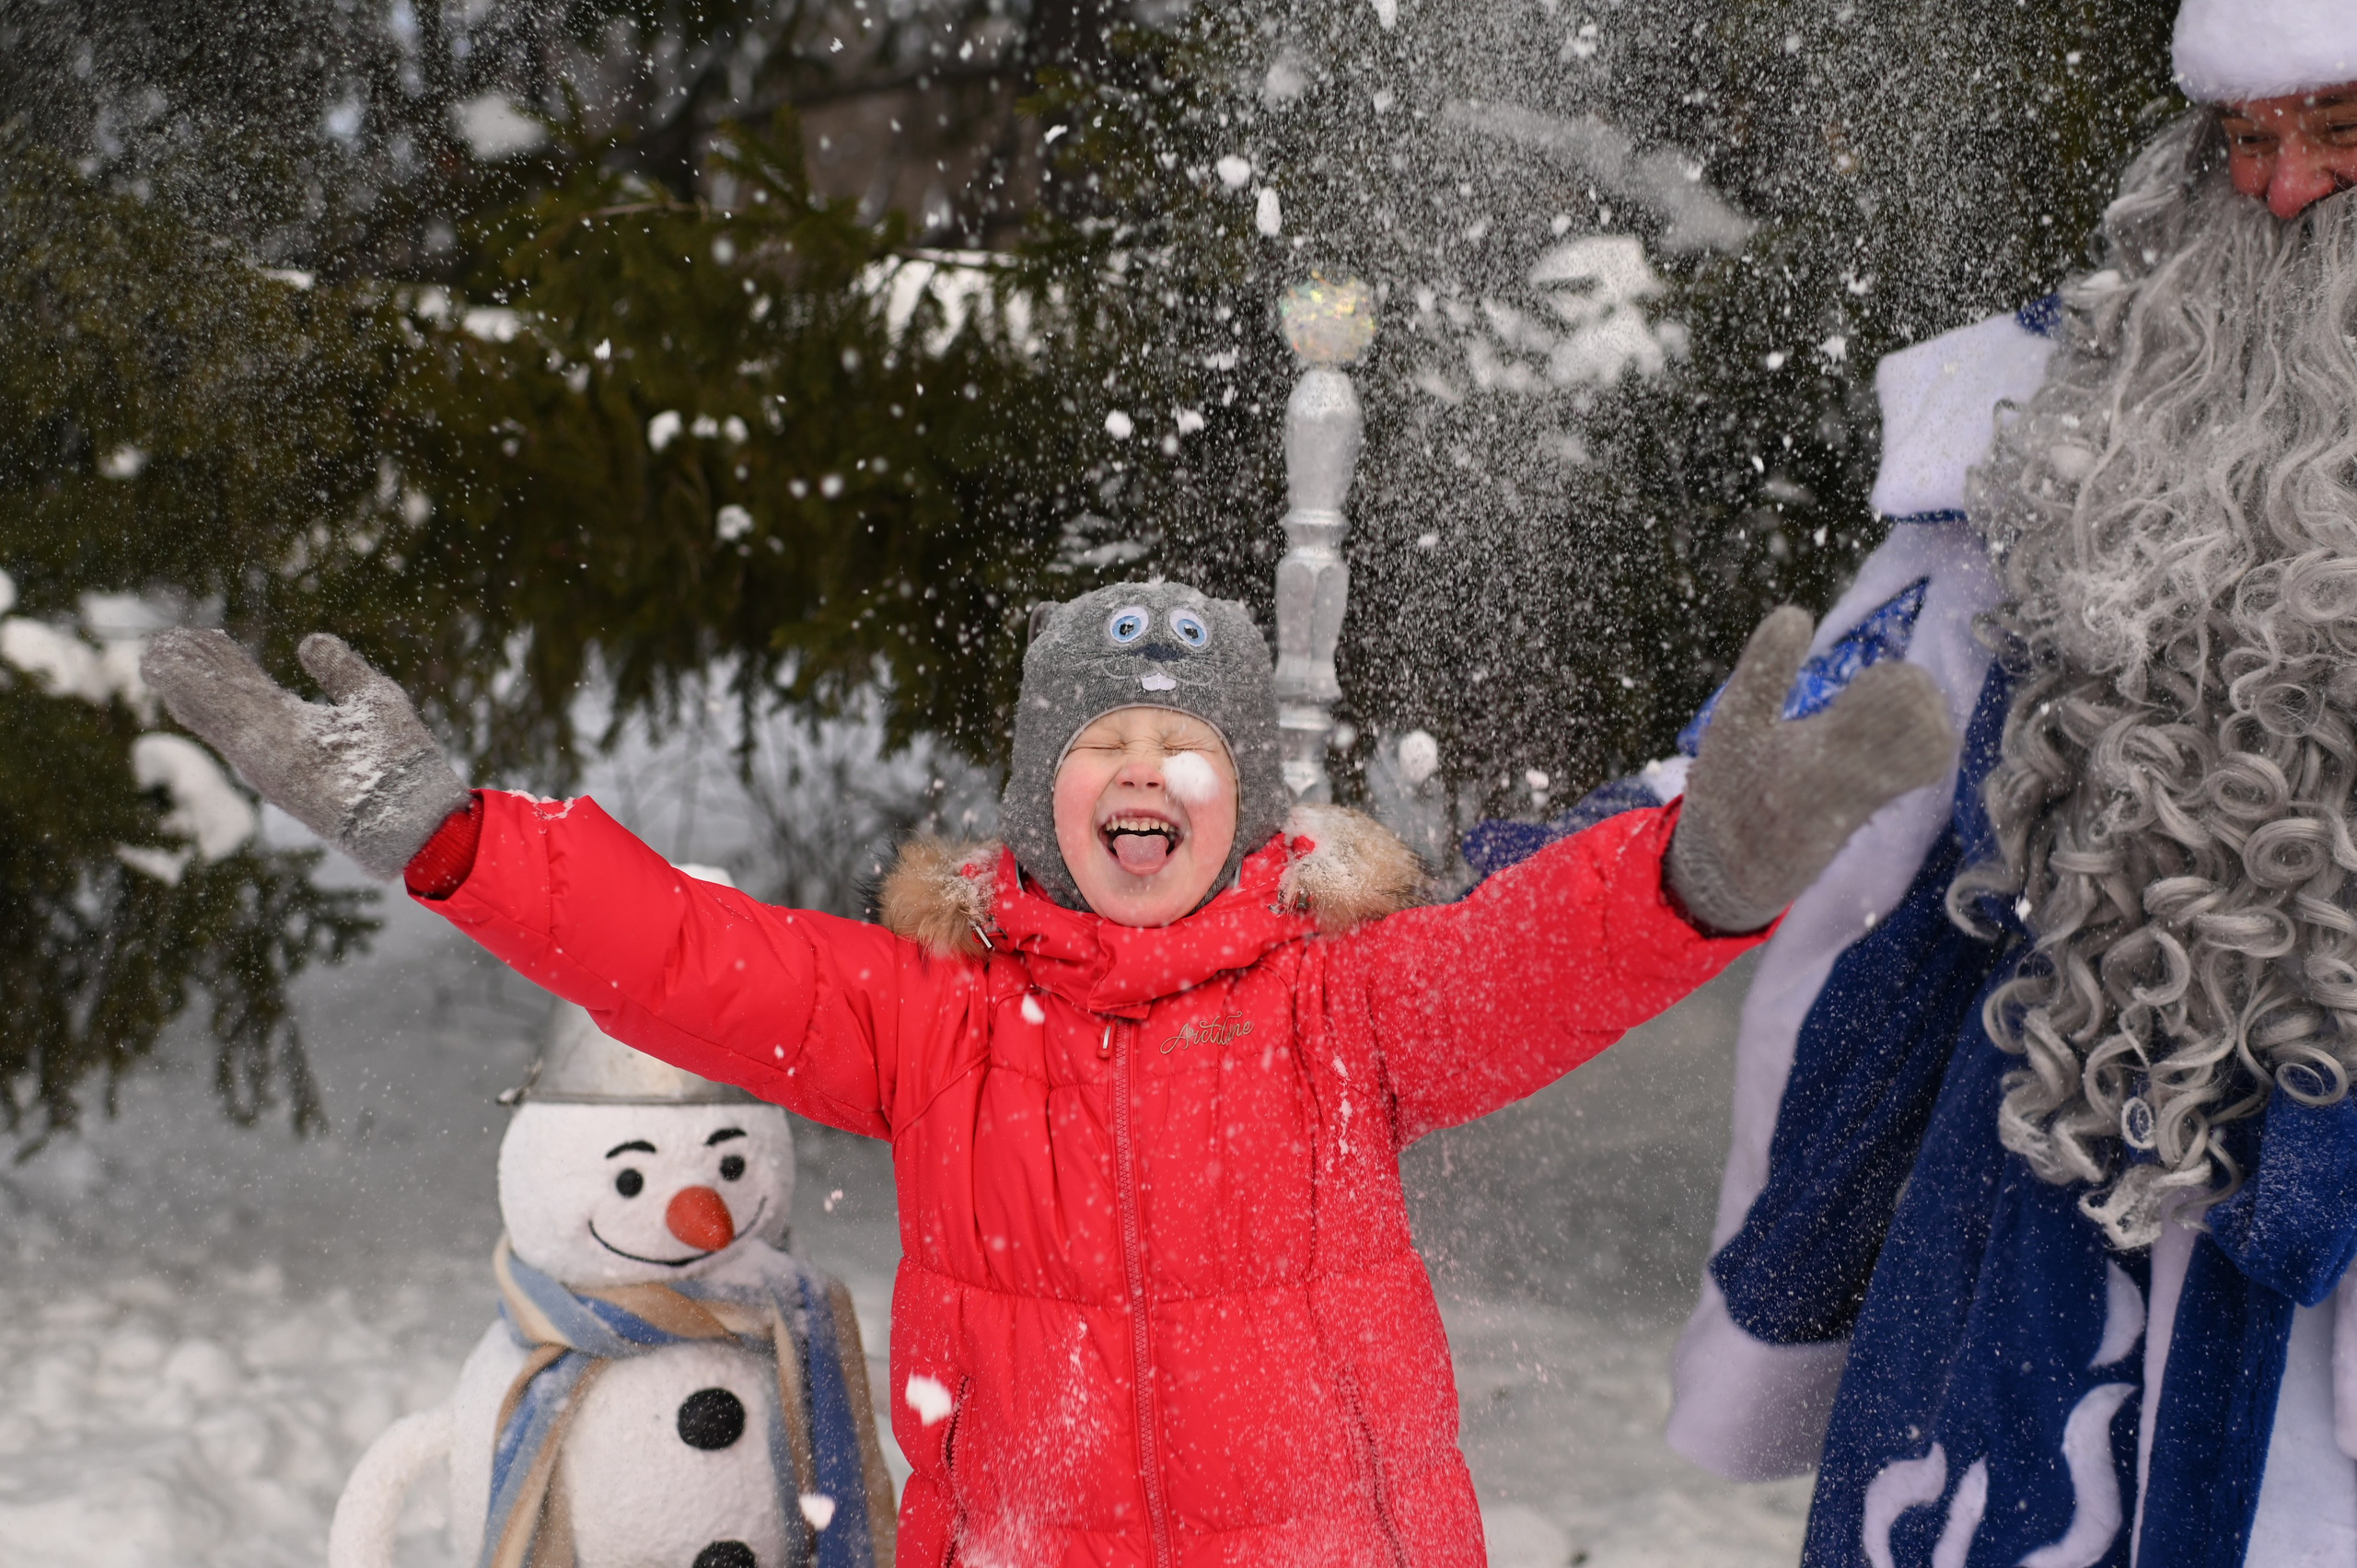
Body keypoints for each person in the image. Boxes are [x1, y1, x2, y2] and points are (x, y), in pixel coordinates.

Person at [143, 578, 1948, 1566]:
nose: (1140, 772)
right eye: (1101, 743)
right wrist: (441, 831)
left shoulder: (1352, 1008)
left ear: (1242, 793)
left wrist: (1691, 879)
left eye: (1180, 744)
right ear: (1036, 795)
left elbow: (1532, 961)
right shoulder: (930, 1016)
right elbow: (680, 955)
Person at [1487, 4, 2357, 1563]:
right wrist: (1537, 880)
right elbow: (1825, 748)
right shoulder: (2065, 428)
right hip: (2048, 1191)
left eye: (2338, 133)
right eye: (2247, 139)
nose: (2283, 190)